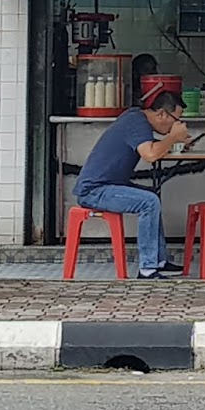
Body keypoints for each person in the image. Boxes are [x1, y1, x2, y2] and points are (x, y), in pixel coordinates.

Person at [74, 88, 191, 279]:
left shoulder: (136, 118)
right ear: (162, 114)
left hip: (110, 186)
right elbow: (150, 154)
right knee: (149, 202)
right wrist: (172, 138)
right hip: (94, 191)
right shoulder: (136, 122)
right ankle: (147, 270)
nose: (178, 124)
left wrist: (175, 142)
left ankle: (159, 261)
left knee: (152, 196)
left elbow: (147, 145)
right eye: (176, 120)